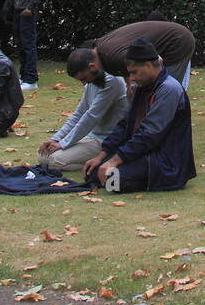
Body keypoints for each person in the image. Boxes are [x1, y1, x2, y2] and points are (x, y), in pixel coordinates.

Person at [83, 37, 195, 193]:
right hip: (143, 153)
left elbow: (149, 133)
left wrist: (114, 161)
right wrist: (101, 156)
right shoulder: (143, 86)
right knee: (93, 173)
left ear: (148, 65)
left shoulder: (169, 89)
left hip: (164, 161)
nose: (131, 78)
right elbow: (125, 124)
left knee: (112, 180)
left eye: (134, 72)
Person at [37, 47, 128, 171]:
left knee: (54, 160)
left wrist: (62, 144)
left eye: (84, 78)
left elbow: (91, 117)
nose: (84, 83)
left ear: (92, 67)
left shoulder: (112, 81)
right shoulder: (92, 81)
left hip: (106, 140)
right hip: (91, 137)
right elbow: (79, 114)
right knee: (43, 156)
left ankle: (101, 162)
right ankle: (96, 161)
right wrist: (55, 138)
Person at [94, 17, 195, 89]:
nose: (85, 82)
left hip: (177, 42)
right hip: (168, 42)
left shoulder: (110, 53)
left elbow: (157, 60)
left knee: (165, 90)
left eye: (84, 78)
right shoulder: (103, 47)